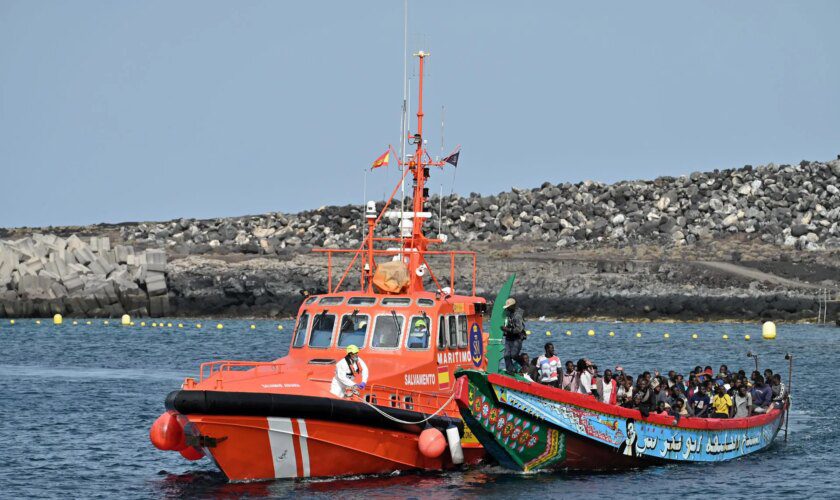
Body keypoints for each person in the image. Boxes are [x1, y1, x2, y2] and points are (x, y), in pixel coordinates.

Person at [500, 298, 526, 374]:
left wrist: (507, 329)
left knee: (514, 355)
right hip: (509, 338)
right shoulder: (507, 313)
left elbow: (519, 329)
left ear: (513, 306)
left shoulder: (517, 316)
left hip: (517, 338)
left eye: (509, 306)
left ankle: (523, 364)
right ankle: (511, 370)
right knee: (506, 355)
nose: (507, 308)